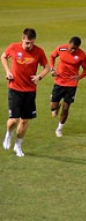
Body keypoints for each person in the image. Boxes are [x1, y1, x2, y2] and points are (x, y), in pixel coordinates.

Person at [1, 28, 50, 157]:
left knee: (24, 121)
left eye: (32, 43)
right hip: (15, 89)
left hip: (30, 91)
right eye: (28, 42)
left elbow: (47, 67)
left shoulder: (39, 51)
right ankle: (9, 134)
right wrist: (7, 71)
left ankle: (18, 145)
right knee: (13, 120)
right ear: (23, 38)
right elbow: (4, 56)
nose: (30, 45)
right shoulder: (13, 47)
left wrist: (39, 77)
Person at [49, 36, 86, 137]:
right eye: (71, 48)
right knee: (53, 107)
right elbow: (52, 56)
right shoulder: (61, 48)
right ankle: (56, 106)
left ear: (78, 47)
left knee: (66, 108)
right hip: (59, 82)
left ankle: (59, 129)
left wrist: (80, 77)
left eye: (75, 49)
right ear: (69, 44)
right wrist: (52, 69)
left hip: (71, 84)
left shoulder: (82, 55)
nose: (72, 50)